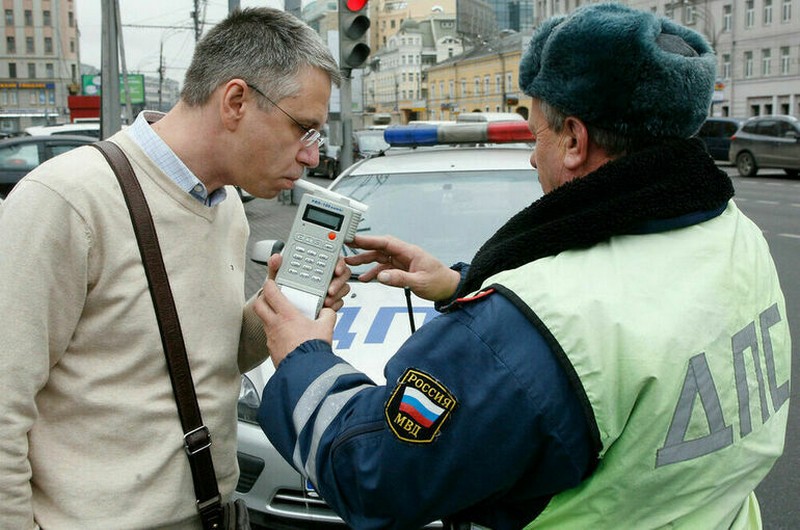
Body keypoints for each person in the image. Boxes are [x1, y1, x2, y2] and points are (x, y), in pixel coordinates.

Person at [253, 3, 792, 529]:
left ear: (575, 140)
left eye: (537, 136)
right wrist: (463, 284)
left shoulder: (526, 331)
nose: (533, 158)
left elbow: (372, 474)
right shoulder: (734, 235)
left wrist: (302, 355)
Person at [0, 7, 349, 529]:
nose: (310, 157)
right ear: (236, 101)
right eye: (304, 129)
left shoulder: (225, 205)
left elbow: (214, 355)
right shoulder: (67, 200)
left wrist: (285, 301)